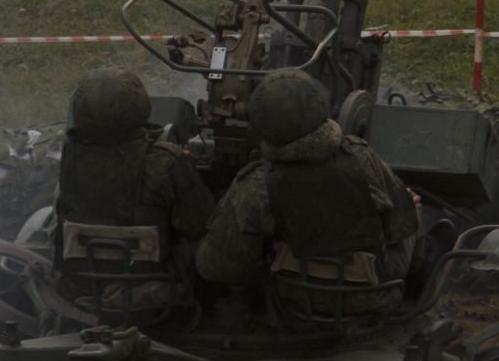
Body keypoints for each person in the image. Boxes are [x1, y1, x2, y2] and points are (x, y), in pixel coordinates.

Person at [197, 69, 420, 323]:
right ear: (321, 107)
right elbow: (402, 225)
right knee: (411, 205)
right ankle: (415, 291)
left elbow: (220, 267)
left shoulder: (255, 183)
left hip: (293, 302)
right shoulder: (363, 157)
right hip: (375, 297)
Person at [53, 66, 214, 312]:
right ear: (139, 106)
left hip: (82, 286)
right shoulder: (164, 162)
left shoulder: (71, 156)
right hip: (153, 293)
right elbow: (202, 226)